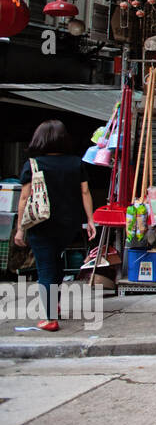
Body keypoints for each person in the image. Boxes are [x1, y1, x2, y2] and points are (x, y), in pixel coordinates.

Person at [12, 120, 96, 332]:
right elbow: (85, 192)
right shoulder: (76, 163)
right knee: (55, 263)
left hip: (41, 224)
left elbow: (24, 197)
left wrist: (21, 228)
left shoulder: (33, 164)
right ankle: (55, 305)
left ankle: (49, 317)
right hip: (68, 225)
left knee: (46, 268)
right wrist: (91, 221)